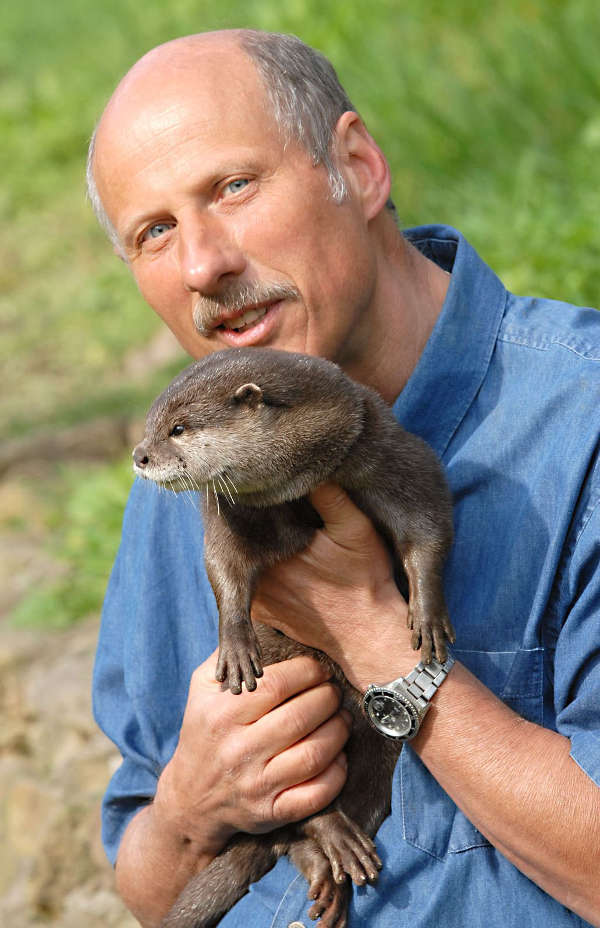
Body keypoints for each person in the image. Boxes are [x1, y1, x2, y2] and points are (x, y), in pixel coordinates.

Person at [89, 28, 600, 928]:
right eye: (155, 232)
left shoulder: (578, 431)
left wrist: (377, 642)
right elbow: (149, 888)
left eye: (232, 187)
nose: (204, 263)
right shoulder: (188, 470)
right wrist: (191, 808)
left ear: (358, 167)